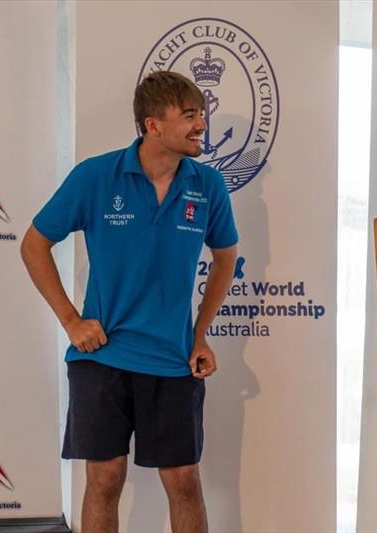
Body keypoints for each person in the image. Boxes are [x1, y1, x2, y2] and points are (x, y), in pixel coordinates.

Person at [20, 71, 238, 532]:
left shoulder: (209, 185)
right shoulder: (96, 176)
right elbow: (34, 244)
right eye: (190, 115)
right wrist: (71, 321)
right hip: (102, 357)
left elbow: (225, 260)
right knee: (104, 478)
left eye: (202, 114)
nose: (202, 124)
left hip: (173, 360)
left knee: (183, 481)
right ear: (152, 125)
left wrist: (199, 336)